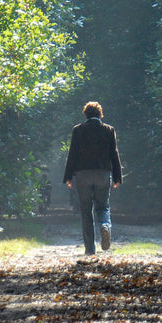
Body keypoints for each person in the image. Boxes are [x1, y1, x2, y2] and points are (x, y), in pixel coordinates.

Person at [63, 101, 122, 255]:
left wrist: (68, 176)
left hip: (82, 175)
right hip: (103, 174)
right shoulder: (109, 130)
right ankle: (105, 226)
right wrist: (117, 177)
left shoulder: (78, 130)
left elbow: (72, 154)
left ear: (85, 114)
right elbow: (114, 154)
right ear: (100, 114)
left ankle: (90, 249)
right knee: (103, 206)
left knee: (85, 211)